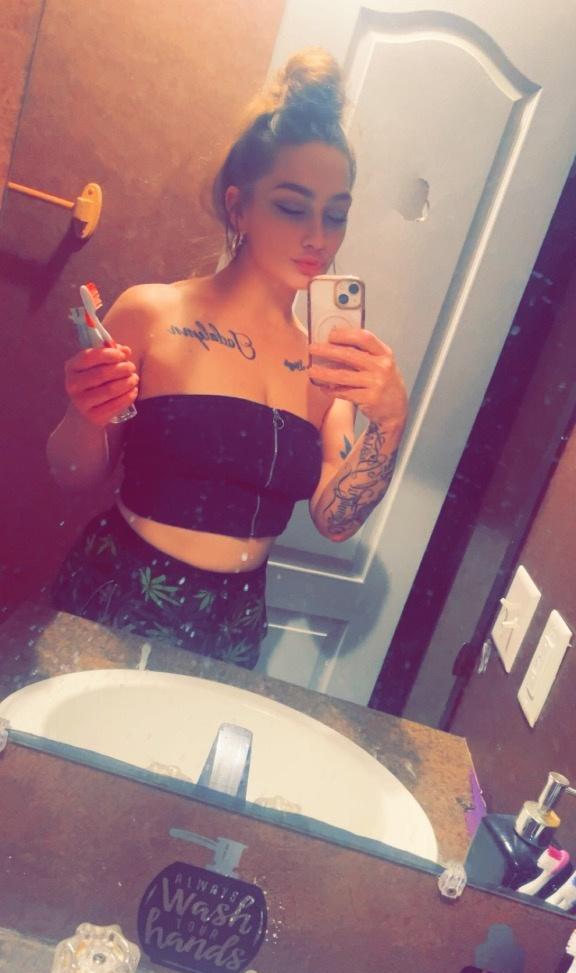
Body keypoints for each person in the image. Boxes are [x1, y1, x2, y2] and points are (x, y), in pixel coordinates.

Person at [47, 48, 408, 669]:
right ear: (239, 207)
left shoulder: (329, 366)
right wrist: (86, 413)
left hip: (234, 624)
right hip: (116, 593)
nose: (318, 236)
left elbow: (335, 520)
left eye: (336, 214)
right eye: (292, 206)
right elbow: (73, 474)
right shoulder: (152, 313)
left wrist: (391, 424)